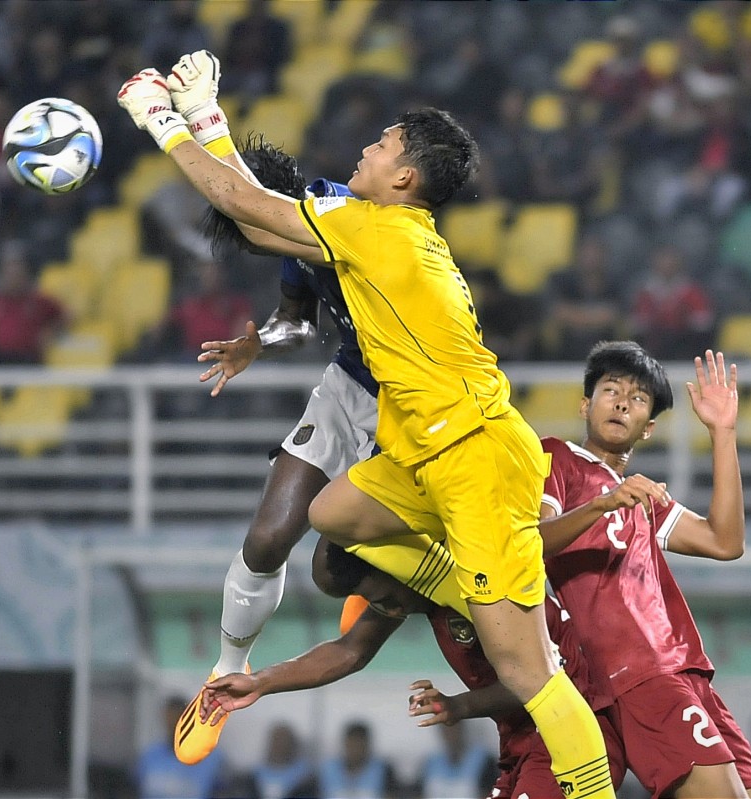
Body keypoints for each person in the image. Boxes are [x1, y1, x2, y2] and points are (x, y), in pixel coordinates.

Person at [119, 50, 615, 798]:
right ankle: (453, 582)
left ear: (405, 177)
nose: (365, 150)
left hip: (476, 457)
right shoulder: (384, 229)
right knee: (331, 513)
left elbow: (241, 202)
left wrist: (162, 119)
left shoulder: (377, 230)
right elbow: (257, 218)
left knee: (529, 672)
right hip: (423, 448)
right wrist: (206, 114)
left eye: (381, 145)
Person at [171, 136, 384, 765]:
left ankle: (378, 576)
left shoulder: (342, 217)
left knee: (331, 571)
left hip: (409, 405)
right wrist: (258, 344)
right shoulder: (297, 235)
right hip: (347, 387)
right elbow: (299, 320)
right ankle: (223, 674)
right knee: (267, 539)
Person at [202, 539, 627, 799]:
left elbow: (544, 680)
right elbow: (349, 651)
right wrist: (259, 682)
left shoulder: (479, 593)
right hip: (521, 742)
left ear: (403, 571)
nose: (387, 609)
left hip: (567, 732)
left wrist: (459, 706)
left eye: (386, 596)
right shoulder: (417, 591)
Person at [538, 342, 751, 799]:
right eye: (611, 390)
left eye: (638, 398)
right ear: (585, 405)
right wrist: (603, 504)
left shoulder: (637, 495)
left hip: (687, 670)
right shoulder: (557, 458)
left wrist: (723, 433)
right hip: (638, 674)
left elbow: (725, 542)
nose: (622, 402)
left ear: (648, 429)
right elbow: (532, 543)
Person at [0, 240, 66, 365]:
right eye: (8, 270)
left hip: (28, 359)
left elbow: (66, 314)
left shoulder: (39, 299)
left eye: (17, 269)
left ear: (26, 272)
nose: (13, 275)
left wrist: (51, 330)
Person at [136, 695, 224, 799]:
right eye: (169, 720)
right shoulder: (149, 757)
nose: (173, 726)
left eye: (177, 720)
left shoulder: (211, 759)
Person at [415, 721, 495, 799]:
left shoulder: (484, 761)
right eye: (446, 728)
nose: (450, 732)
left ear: (462, 728)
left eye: (454, 727)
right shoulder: (430, 763)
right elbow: (419, 794)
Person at [250, 722, 317, 799]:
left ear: (292, 744)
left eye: (284, 741)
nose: (280, 745)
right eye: (276, 741)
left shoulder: (304, 773)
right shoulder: (257, 772)